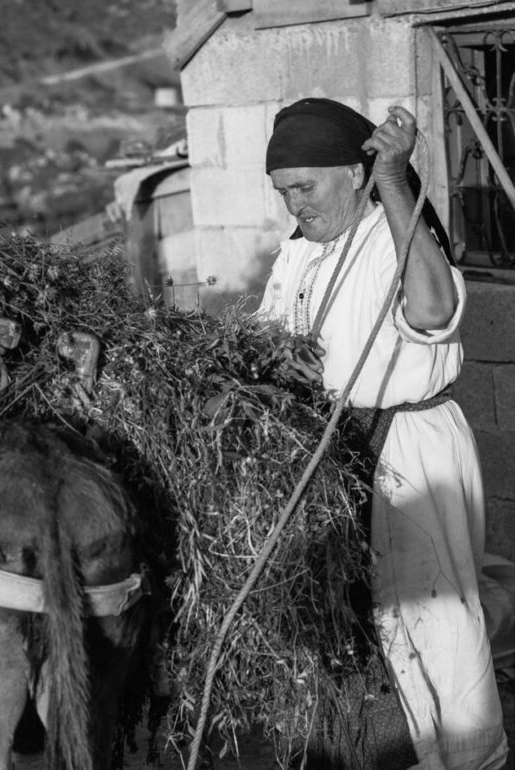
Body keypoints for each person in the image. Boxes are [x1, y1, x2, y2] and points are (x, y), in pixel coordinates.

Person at [258, 97, 508, 770]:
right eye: (283, 193)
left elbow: (433, 311)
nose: (294, 206)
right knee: (377, 620)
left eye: (304, 188)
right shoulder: (298, 256)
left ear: (354, 174)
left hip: (409, 444)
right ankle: (416, 751)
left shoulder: (389, 231)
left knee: (437, 616)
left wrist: (396, 177)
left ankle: (476, 758)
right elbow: (267, 343)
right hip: (338, 449)